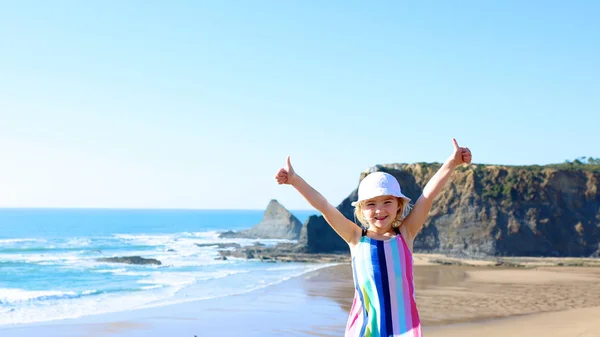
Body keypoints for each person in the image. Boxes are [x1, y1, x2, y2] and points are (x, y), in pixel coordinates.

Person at [275, 138, 472, 337]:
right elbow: (324, 206)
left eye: (387, 202)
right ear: (361, 209)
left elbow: (427, 197)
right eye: (371, 204)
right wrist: (295, 180)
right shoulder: (355, 238)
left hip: (403, 330)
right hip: (365, 329)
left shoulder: (405, 234)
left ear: (398, 206)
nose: (379, 210)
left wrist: (451, 163)